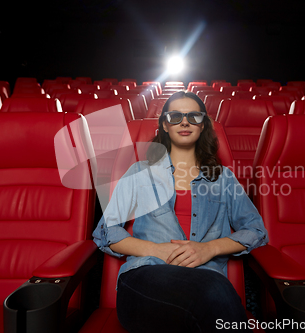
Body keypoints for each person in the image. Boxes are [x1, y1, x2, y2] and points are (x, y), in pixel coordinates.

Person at [93, 91, 268, 332]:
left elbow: (256, 230)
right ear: (165, 124)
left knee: (212, 292)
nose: (184, 122)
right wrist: (157, 250)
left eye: (193, 116)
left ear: (203, 124)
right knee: (214, 293)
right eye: (175, 116)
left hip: (206, 281)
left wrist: (210, 248)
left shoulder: (223, 178)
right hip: (146, 278)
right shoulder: (139, 172)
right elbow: (106, 231)